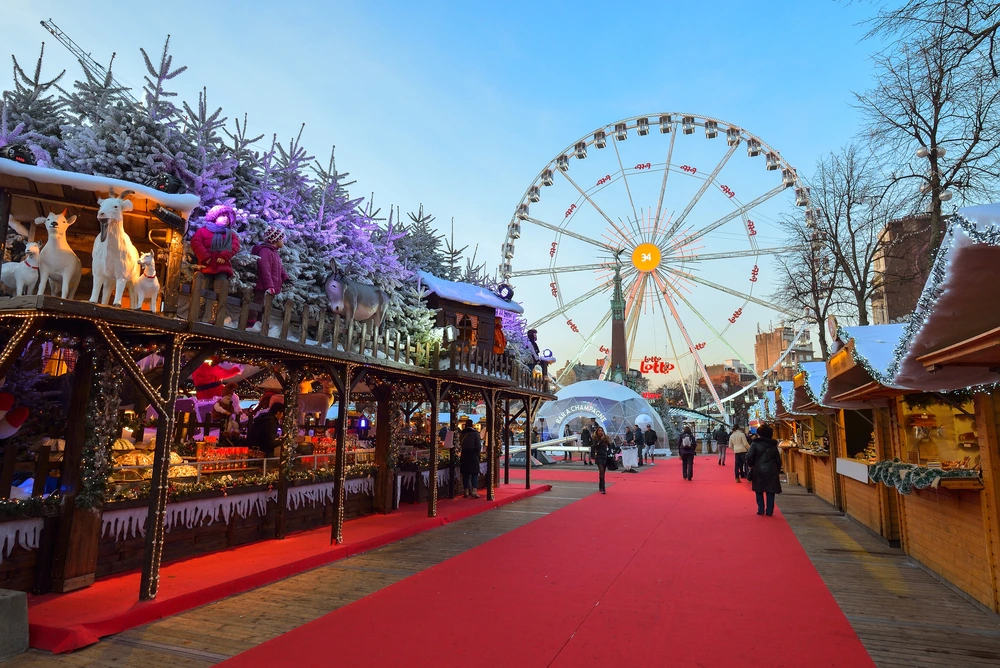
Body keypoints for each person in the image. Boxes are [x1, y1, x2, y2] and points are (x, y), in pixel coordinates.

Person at [745, 423, 783, 516]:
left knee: (759, 489)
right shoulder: (773, 445)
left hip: (758, 469)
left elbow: (749, 456)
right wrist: (777, 469)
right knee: (771, 490)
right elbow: (778, 459)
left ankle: (760, 509)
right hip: (772, 469)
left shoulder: (755, 444)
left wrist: (751, 465)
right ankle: (769, 510)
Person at [459, 420, 483, 499]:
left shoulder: (462, 433)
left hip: (464, 454)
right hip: (473, 454)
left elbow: (460, 444)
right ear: (472, 425)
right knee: (474, 473)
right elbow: (478, 446)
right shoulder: (475, 433)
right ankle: (474, 491)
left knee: (465, 474)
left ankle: (466, 491)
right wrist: (477, 453)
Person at [593, 425, 611, 494]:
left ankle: (601, 485)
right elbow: (595, 446)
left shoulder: (605, 438)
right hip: (598, 456)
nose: (600, 432)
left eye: (601, 431)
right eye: (599, 431)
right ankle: (603, 488)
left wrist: (610, 452)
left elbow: (609, 445)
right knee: (601, 470)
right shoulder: (595, 438)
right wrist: (600, 439)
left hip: (605, 456)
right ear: (597, 432)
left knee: (603, 472)